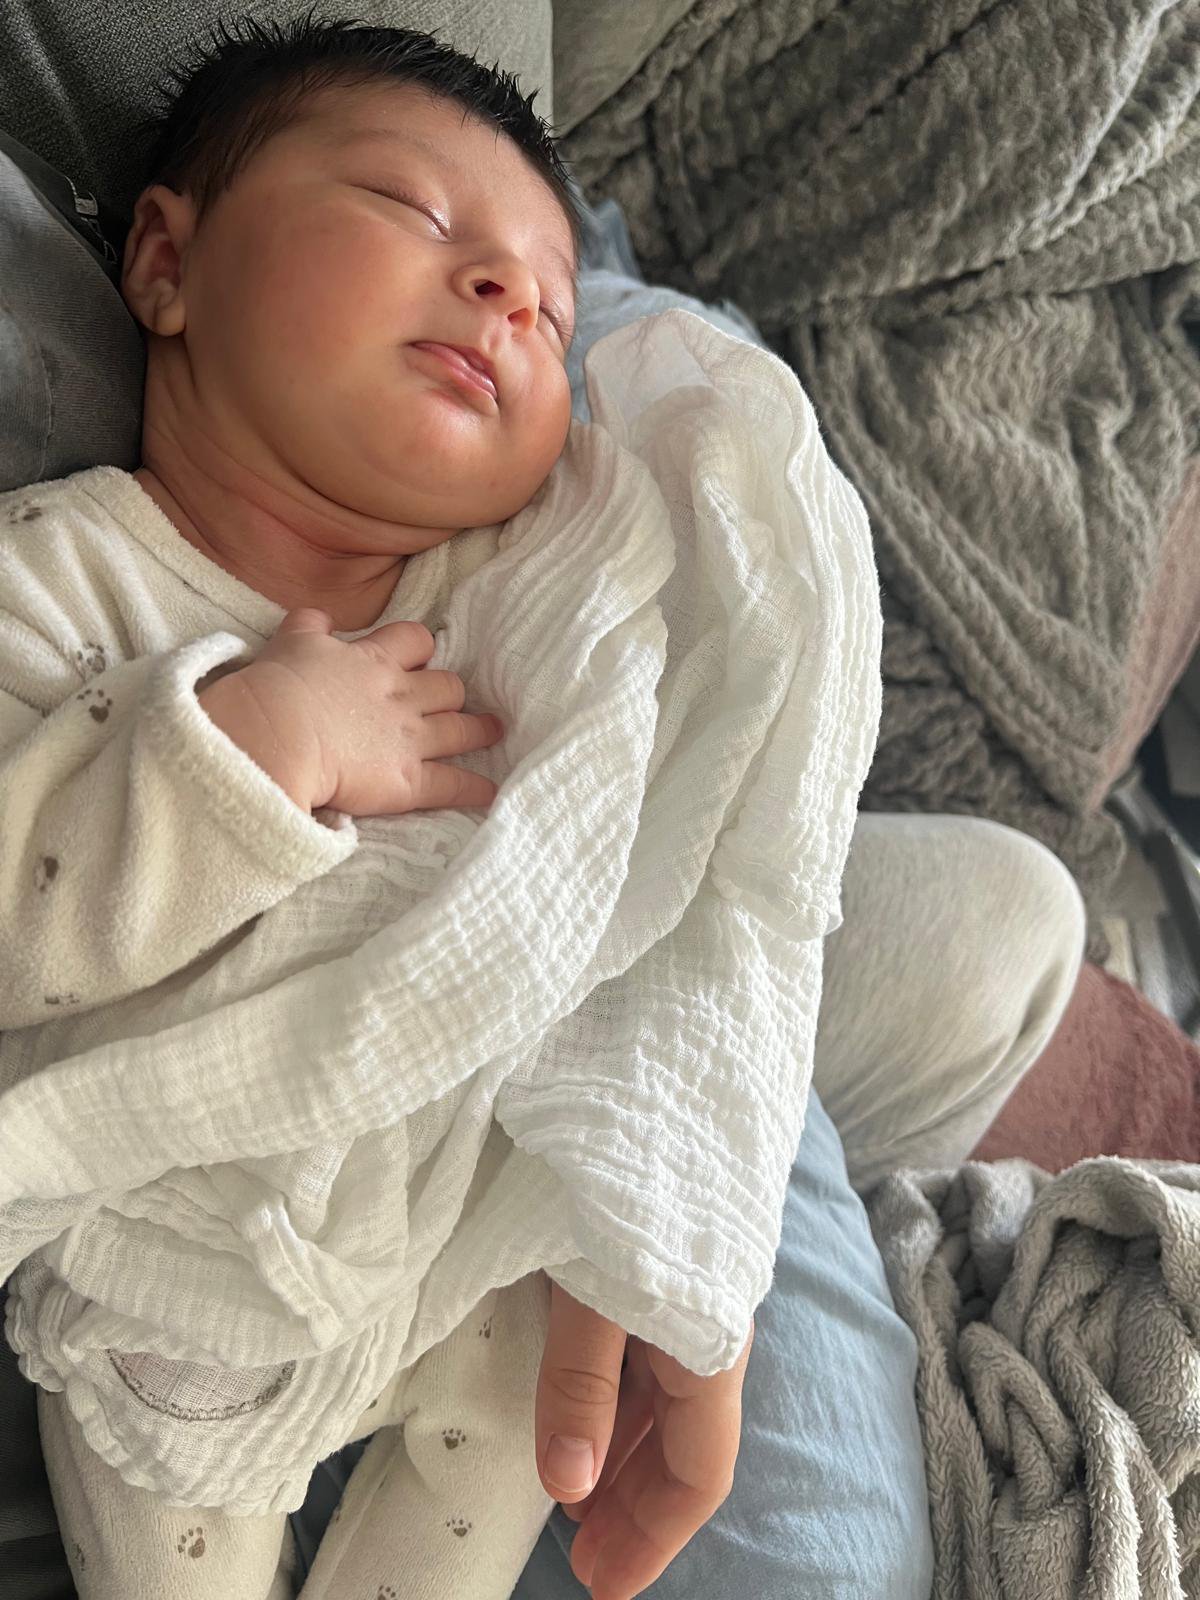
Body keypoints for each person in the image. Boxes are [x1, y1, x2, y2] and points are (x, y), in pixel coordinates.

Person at [0, 17, 1090, 1600]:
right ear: (166, 264)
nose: (510, 294)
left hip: (492, 1222)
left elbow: (694, 838)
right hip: (187, 1250)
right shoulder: (65, 580)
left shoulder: (549, 592)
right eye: (412, 211)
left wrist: (683, 1173)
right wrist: (249, 745)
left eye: (554, 305)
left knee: (1025, 927)